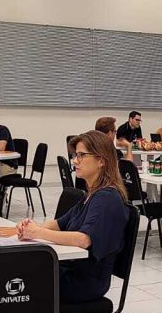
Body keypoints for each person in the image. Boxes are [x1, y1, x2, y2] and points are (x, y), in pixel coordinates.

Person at [17, 130, 128, 304]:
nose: (75, 161)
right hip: (72, 271)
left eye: (82, 155)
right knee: (17, 271)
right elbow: (60, 223)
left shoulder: (107, 198)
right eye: (76, 155)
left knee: (15, 280)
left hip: (84, 282)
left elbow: (83, 239)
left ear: (101, 161)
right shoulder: (91, 195)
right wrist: (31, 227)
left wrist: (37, 233)